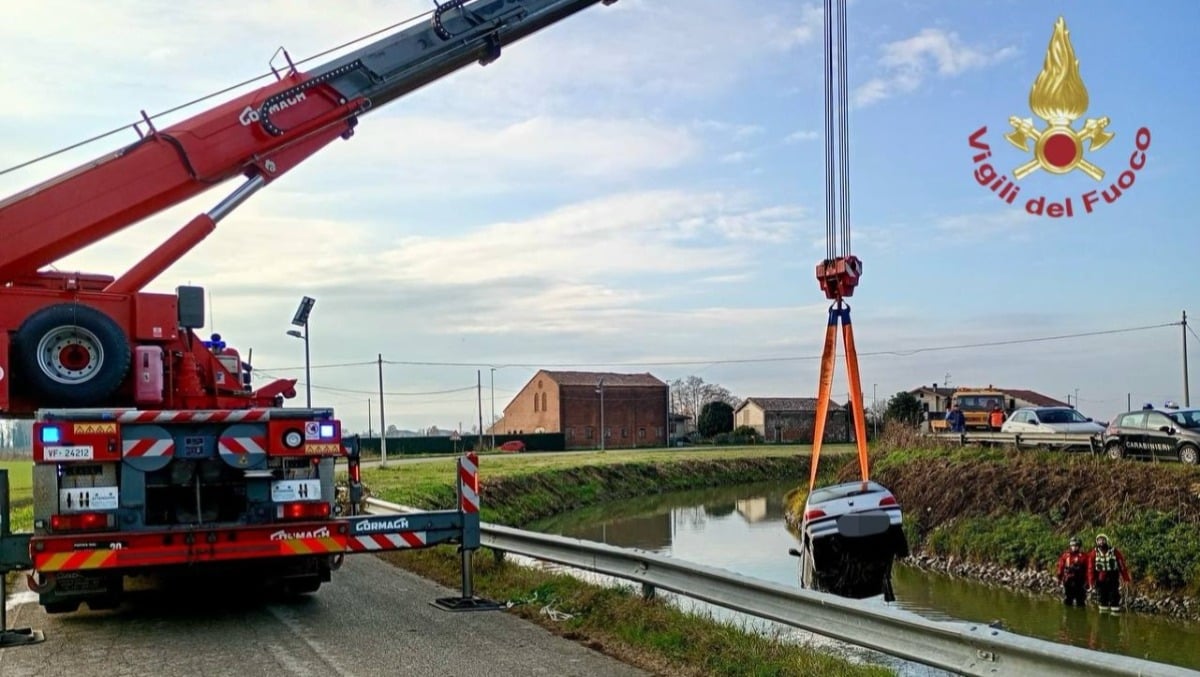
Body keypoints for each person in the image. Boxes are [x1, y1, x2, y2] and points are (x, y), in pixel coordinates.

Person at [1087, 533, 1131, 612]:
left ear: (1106, 541)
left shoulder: (1114, 551)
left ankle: (1115, 617)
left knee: (1114, 597)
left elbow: (1122, 565)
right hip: (1100, 580)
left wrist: (1126, 578)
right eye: (1099, 541)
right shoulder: (1093, 553)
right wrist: (1091, 583)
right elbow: (1091, 569)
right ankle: (1103, 620)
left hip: (1113, 578)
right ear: (1097, 542)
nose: (1101, 542)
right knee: (1102, 599)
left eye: (1103, 540)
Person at [1055, 536, 1088, 607]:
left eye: (1076, 545)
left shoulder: (1084, 556)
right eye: (1072, 545)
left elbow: (1088, 569)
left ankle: (1081, 616)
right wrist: (1059, 578)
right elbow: (1060, 567)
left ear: (1079, 546)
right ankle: (1067, 616)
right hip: (1068, 581)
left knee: (1081, 600)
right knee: (1068, 600)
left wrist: (1088, 581)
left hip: (1080, 581)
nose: (1074, 547)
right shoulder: (1066, 555)